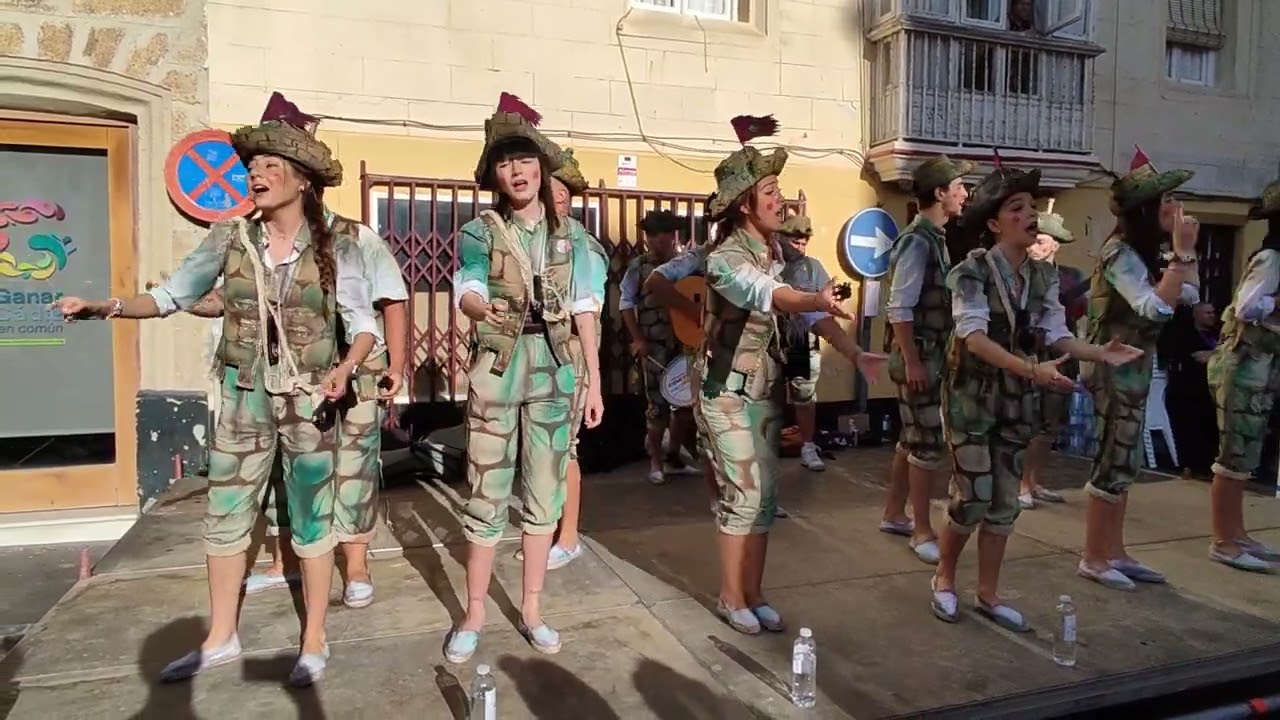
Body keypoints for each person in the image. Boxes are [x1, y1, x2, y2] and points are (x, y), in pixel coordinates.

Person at [53, 95, 381, 686]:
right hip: (243, 400)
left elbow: (363, 324)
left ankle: (313, 639)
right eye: (252, 164)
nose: (256, 172)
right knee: (226, 515)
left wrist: (346, 368)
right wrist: (109, 306)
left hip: (310, 401)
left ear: (302, 179)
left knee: (311, 518)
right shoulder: (229, 239)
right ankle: (221, 637)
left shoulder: (344, 243)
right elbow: (172, 296)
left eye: (270, 164)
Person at [930, 166, 1143, 630]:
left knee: (1005, 500)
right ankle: (944, 580)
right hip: (970, 398)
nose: (1030, 215)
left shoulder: (1042, 276)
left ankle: (988, 593)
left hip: (1013, 399)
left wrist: (1099, 353)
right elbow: (973, 338)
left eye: (1031, 207)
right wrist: (1033, 370)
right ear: (994, 223)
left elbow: (1055, 333)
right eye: (1017, 208)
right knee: (972, 495)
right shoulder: (971, 272)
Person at [696, 141, 882, 635]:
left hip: (764, 392)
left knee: (764, 497)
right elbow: (772, 296)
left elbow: (816, 314)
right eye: (772, 192)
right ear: (745, 205)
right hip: (727, 394)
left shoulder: (775, 251)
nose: (782, 201)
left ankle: (754, 594)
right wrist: (808, 297)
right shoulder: (725, 259)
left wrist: (856, 353)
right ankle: (730, 597)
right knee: (744, 495)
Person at [445, 95, 604, 663]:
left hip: (558, 373)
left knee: (544, 494)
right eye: (505, 162)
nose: (516, 171)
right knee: (485, 492)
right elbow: (468, 283)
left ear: (543, 165)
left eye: (525, 159)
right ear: (493, 173)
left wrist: (596, 383)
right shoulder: (479, 231)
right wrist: (475, 306)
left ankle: (532, 609)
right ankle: (475, 612)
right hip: (497, 368)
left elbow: (586, 308)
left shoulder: (573, 238)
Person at [191, 201, 410, 607]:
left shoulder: (355, 236)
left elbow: (391, 301)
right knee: (285, 467)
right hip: (293, 371)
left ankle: (356, 566)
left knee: (355, 463)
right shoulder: (256, 237)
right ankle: (283, 560)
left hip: (358, 367)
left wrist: (396, 366)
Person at [1079, 148, 1201, 591]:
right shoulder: (1119, 254)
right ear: (1147, 211)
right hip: (1113, 368)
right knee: (1112, 459)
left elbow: (1186, 296)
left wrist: (1182, 258)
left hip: (1134, 369)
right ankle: (1094, 555)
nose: (1177, 209)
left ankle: (1115, 550)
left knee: (1126, 459)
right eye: (1168, 201)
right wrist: (1182, 257)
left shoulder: (1148, 253)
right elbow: (1154, 308)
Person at [880, 155, 973, 565]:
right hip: (921, 358)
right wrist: (914, 361)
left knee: (911, 438)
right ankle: (921, 530)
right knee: (925, 444)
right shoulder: (918, 241)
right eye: (959, 187)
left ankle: (893, 513)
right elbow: (899, 308)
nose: (965, 194)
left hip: (930, 355)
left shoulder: (933, 237)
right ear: (940, 193)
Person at [533, 146, 608, 571]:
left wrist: (594, 381)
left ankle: (568, 535)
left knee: (565, 447)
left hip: (570, 358)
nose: (551, 198)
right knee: (539, 447)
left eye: (558, 191)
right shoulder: (533, 238)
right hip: (535, 356)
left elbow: (587, 316)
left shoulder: (581, 245)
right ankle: (543, 530)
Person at [1204, 178, 1280, 571]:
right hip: (1242, 368)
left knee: (1245, 456)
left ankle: (1237, 534)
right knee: (1233, 456)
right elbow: (1248, 306)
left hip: (1259, 370)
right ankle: (1223, 540)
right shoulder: (1271, 260)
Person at [620, 209, 700, 484]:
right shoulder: (639, 267)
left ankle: (674, 456)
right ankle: (655, 460)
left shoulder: (687, 264)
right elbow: (626, 304)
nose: (658, 240)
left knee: (686, 404)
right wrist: (638, 339)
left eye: (664, 233)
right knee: (657, 406)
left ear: (673, 235)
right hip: (654, 346)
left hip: (686, 343)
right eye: (653, 234)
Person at [1019, 205, 1086, 508]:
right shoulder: (1021, 273)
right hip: (1031, 352)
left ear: (1055, 246)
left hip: (1061, 349)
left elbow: (1080, 311)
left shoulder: (1070, 277)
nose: (1036, 247)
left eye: (1043, 241)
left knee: (1051, 422)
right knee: (1028, 420)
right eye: (1035, 240)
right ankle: (1020, 483)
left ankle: (1034, 479)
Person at [777, 215, 832, 471]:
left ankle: (808, 446)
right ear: (781, 237)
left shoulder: (813, 267)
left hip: (799, 339)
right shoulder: (770, 264)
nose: (799, 247)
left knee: (804, 396)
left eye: (803, 243)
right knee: (767, 397)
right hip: (770, 341)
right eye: (794, 241)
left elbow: (828, 302)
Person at [1159, 301, 1220, 476]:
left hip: (1211, 389)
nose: (1212, 316)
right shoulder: (1185, 336)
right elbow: (1195, 358)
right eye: (1207, 313)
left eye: (1212, 312)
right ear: (1196, 315)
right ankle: (1190, 465)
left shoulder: (1216, 335)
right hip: (1189, 389)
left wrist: (1213, 355)